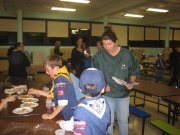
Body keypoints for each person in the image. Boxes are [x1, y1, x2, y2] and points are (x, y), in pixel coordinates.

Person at [91, 29, 139, 135]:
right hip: (107, 94)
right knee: (109, 122)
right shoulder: (99, 56)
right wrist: (102, 85)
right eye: (104, 44)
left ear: (116, 42)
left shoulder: (127, 55)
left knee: (123, 122)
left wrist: (131, 82)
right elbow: (94, 74)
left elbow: (134, 70)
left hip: (123, 95)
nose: (107, 47)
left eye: (109, 44)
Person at [57, 68, 110, 135]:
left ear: (80, 89)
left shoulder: (81, 110)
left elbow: (75, 128)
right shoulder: (104, 103)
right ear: (103, 89)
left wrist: (61, 123)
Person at [28, 54, 77, 120]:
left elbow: (63, 102)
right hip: (66, 112)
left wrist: (51, 115)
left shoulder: (60, 79)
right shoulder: (60, 76)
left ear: (56, 68)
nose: (46, 72)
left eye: (48, 70)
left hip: (67, 115)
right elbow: (54, 94)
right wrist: (36, 91)